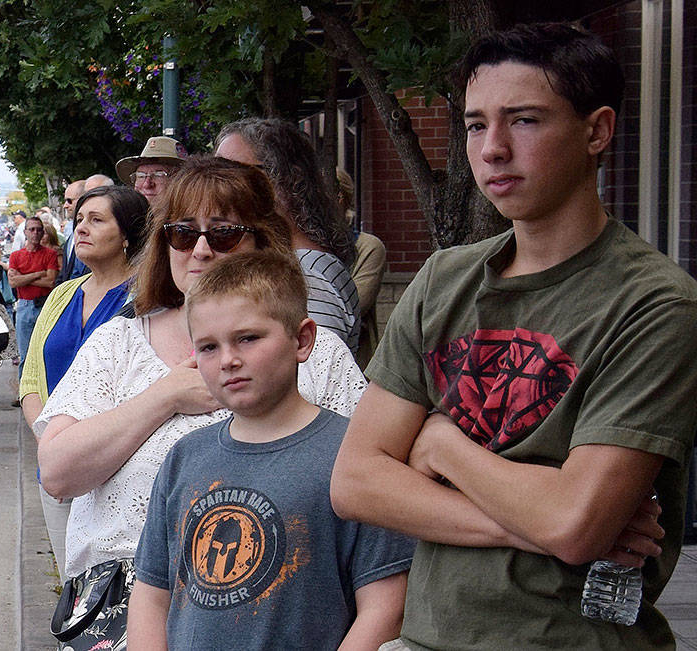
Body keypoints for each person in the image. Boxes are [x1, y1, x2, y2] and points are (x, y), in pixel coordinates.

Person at [329, 23, 697, 650]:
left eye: (524, 120)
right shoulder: (445, 279)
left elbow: (576, 522)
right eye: (476, 125)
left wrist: (442, 447)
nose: (493, 148)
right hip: (424, 636)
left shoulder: (654, 304)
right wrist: (532, 524)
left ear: (596, 131)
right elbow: (356, 481)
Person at [35, 157, 367, 597]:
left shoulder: (313, 349)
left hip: (278, 604)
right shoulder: (118, 342)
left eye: (225, 233)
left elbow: (365, 479)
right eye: (183, 233)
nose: (201, 250)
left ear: (262, 242)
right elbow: (57, 472)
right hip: (126, 610)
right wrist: (163, 397)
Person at [128, 250, 413, 650]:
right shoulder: (184, 457)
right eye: (208, 347)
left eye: (248, 338)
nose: (228, 360)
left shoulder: (355, 456)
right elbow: (151, 593)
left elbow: (385, 606)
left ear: (302, 339)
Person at [19, 185, 149, 579]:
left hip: (119, 468)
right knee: (72, 585)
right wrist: (52, 443)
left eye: (97, 220)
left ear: (127, 233)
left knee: (117, 590)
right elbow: (30, 379)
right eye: (79, 221)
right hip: (58, 467)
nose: (82, 229)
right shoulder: (62, 295)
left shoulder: (148, 297)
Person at [216, 119, 361, 354]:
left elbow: (315, 379)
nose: (217, 186)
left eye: (233, 174)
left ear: (287, 179)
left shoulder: (309, 279)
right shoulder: (294, 263)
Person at [338, 168, 386, 368]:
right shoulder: (292, 245)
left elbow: (351, 308)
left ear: (339, 198)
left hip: (353, 366)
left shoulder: (368, 247)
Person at [8, 216, 60, 369]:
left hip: (44, 305)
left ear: (43, 232)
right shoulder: (16, 256)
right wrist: (38, 274)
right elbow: (13, 282)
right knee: (25, 356)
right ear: (25, 232)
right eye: (32, 229)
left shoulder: (50, 254)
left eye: (39, 230)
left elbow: (50, 281)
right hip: (24, 306)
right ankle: (23, 392)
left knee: (46, 354)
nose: (35, 233)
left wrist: (22, 278)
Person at [115, 135, 184, 205]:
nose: (146, 184)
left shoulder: (191, 215)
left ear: (180, 181)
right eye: (141, 176)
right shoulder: (125, 214)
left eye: (158, 175)